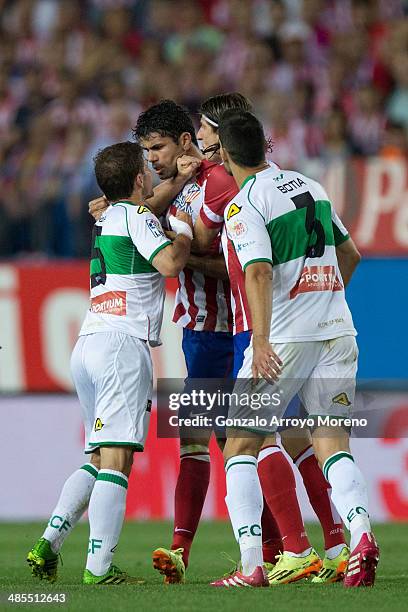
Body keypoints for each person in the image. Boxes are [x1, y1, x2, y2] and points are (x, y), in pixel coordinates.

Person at [210, 110, 379, 588]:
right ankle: (361, 537)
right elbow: (351, 255)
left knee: (239, 444)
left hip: (284, 338)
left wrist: (261, 341)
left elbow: (258, 272)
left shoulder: (245, 205)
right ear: (267, 146)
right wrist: (325, 300)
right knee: (332, 446)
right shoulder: (313, 187)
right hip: (338, 330)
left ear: (223, 155)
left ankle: (251, 567)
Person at [27, 141, 193, 585]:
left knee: (100, 456)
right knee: (117, 460)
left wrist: (176, 182)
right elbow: (171, 264)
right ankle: (99, 569)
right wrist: (184, 230)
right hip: (121, 344)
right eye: (147, 169)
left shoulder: (108, 217)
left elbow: (140, 208)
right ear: (139, 179)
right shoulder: (136, 217)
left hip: (89, 342)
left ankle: (49, 541)